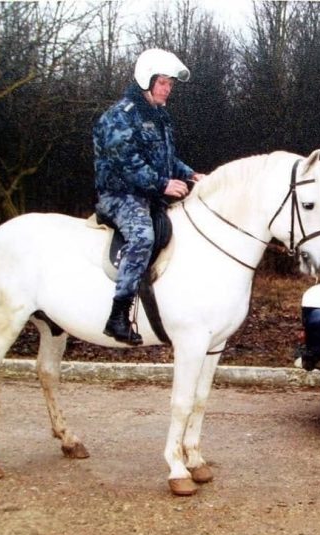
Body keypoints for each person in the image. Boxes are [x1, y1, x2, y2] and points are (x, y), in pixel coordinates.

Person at [93, 48, 204, 345]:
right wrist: (163, 184)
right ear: (147, 81)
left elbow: (166, 158)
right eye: (163, 83)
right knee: (142, 235)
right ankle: (118, 316)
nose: (168, 90)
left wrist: (191, 174)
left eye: (170, 84)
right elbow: (126, 164)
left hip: (148, 192)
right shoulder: (119, 117)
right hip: (119, 194)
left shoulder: (159, 116)